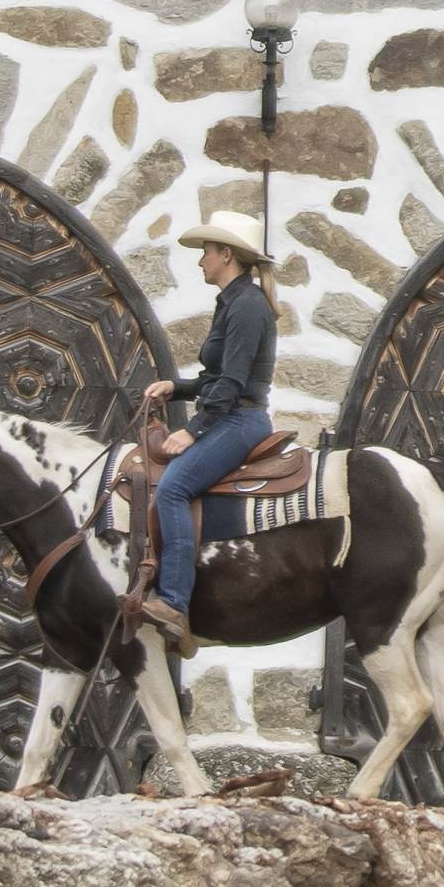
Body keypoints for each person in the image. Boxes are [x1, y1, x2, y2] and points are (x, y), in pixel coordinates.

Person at [139, 211, 279, 647]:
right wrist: (176, 388)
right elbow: (215, 378)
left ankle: (174, 603)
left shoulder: (248, 306)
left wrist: (194, 430)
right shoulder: (233, 303)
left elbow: (233, 382)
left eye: (205, 252)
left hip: (241, 420)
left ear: (226, 254)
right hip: (232, 412)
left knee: (175, 487)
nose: (201, 261)